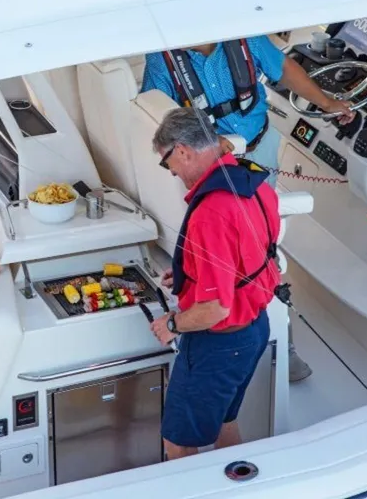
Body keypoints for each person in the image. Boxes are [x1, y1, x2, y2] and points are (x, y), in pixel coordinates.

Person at [142, 35, 351, 382]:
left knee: (263, 246)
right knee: (218, 250)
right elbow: (163, 122)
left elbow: (283, 68)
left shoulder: (246, 35)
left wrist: (326, 103)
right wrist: (207, 144)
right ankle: (210, 327)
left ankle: (280, 344)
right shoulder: (159, 60)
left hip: (258, 150)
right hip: (210, 162)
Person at [149, 107, 279, 460]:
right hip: (255, 331)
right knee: (224, 422)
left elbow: (214, 308)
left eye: (168, 163)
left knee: (178, 440)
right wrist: (192, 268)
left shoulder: (210, 211)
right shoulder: (254, 182)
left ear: (182, 150)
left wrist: (171, 324)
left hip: (220, 344)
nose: (173, 172)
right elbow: (252, 251)